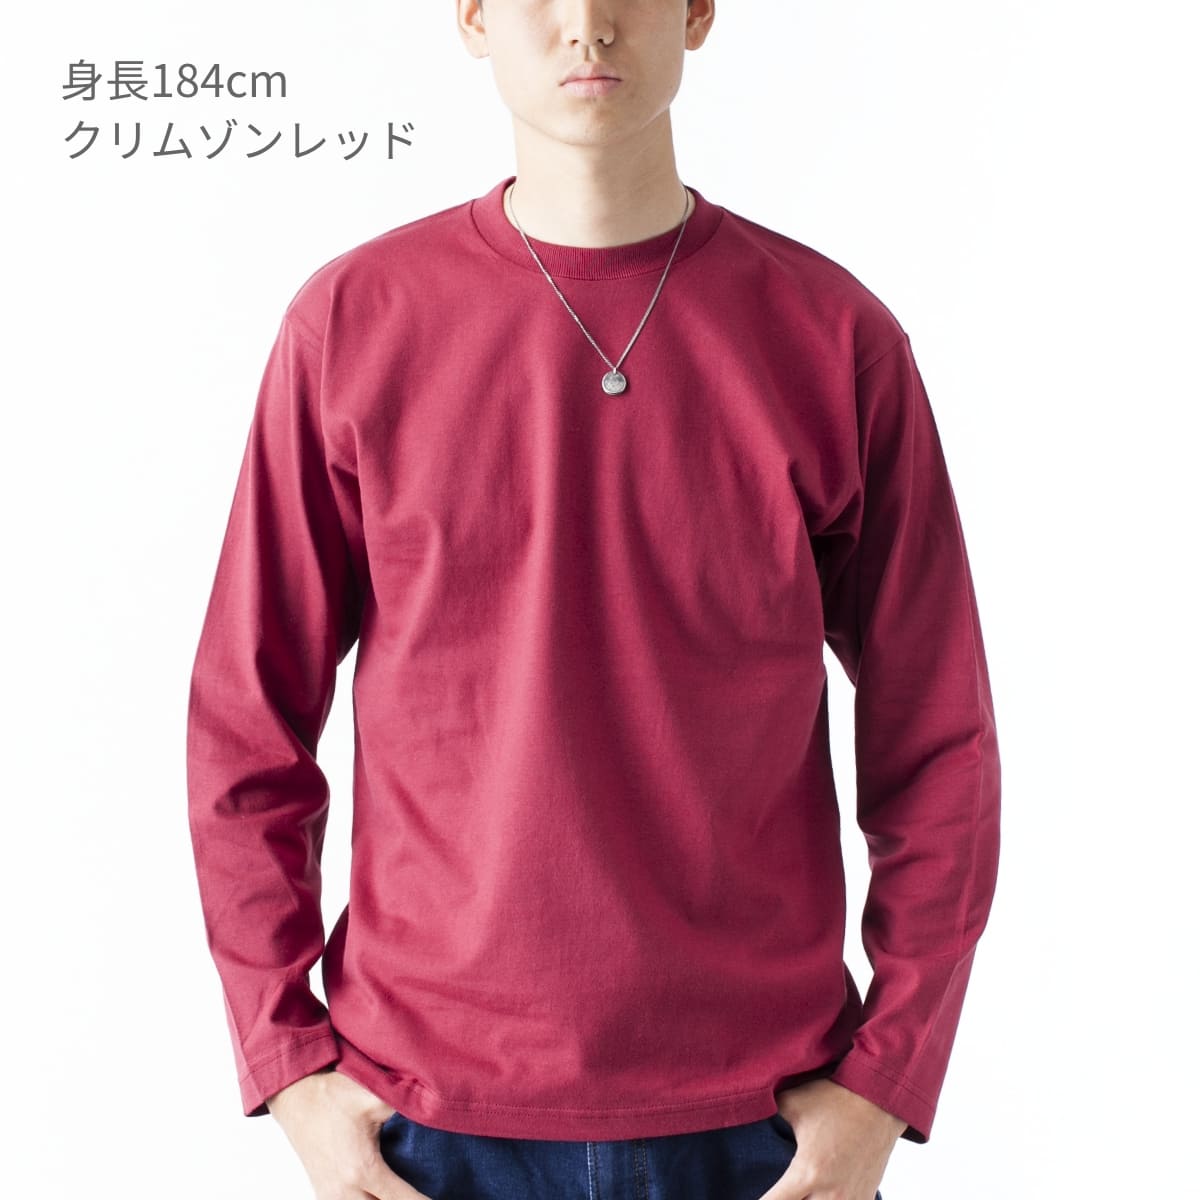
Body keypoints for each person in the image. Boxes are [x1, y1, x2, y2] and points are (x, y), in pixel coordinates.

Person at [185, 2, 1002, 1198]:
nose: (586, 25)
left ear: (697, 13)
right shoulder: (352, 325)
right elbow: (245, 722)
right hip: (425, 1122)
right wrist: (288, 1062)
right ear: (473, 18)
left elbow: (939, 737)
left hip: (764, 1124)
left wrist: (890, 1075)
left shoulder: (833, 338)